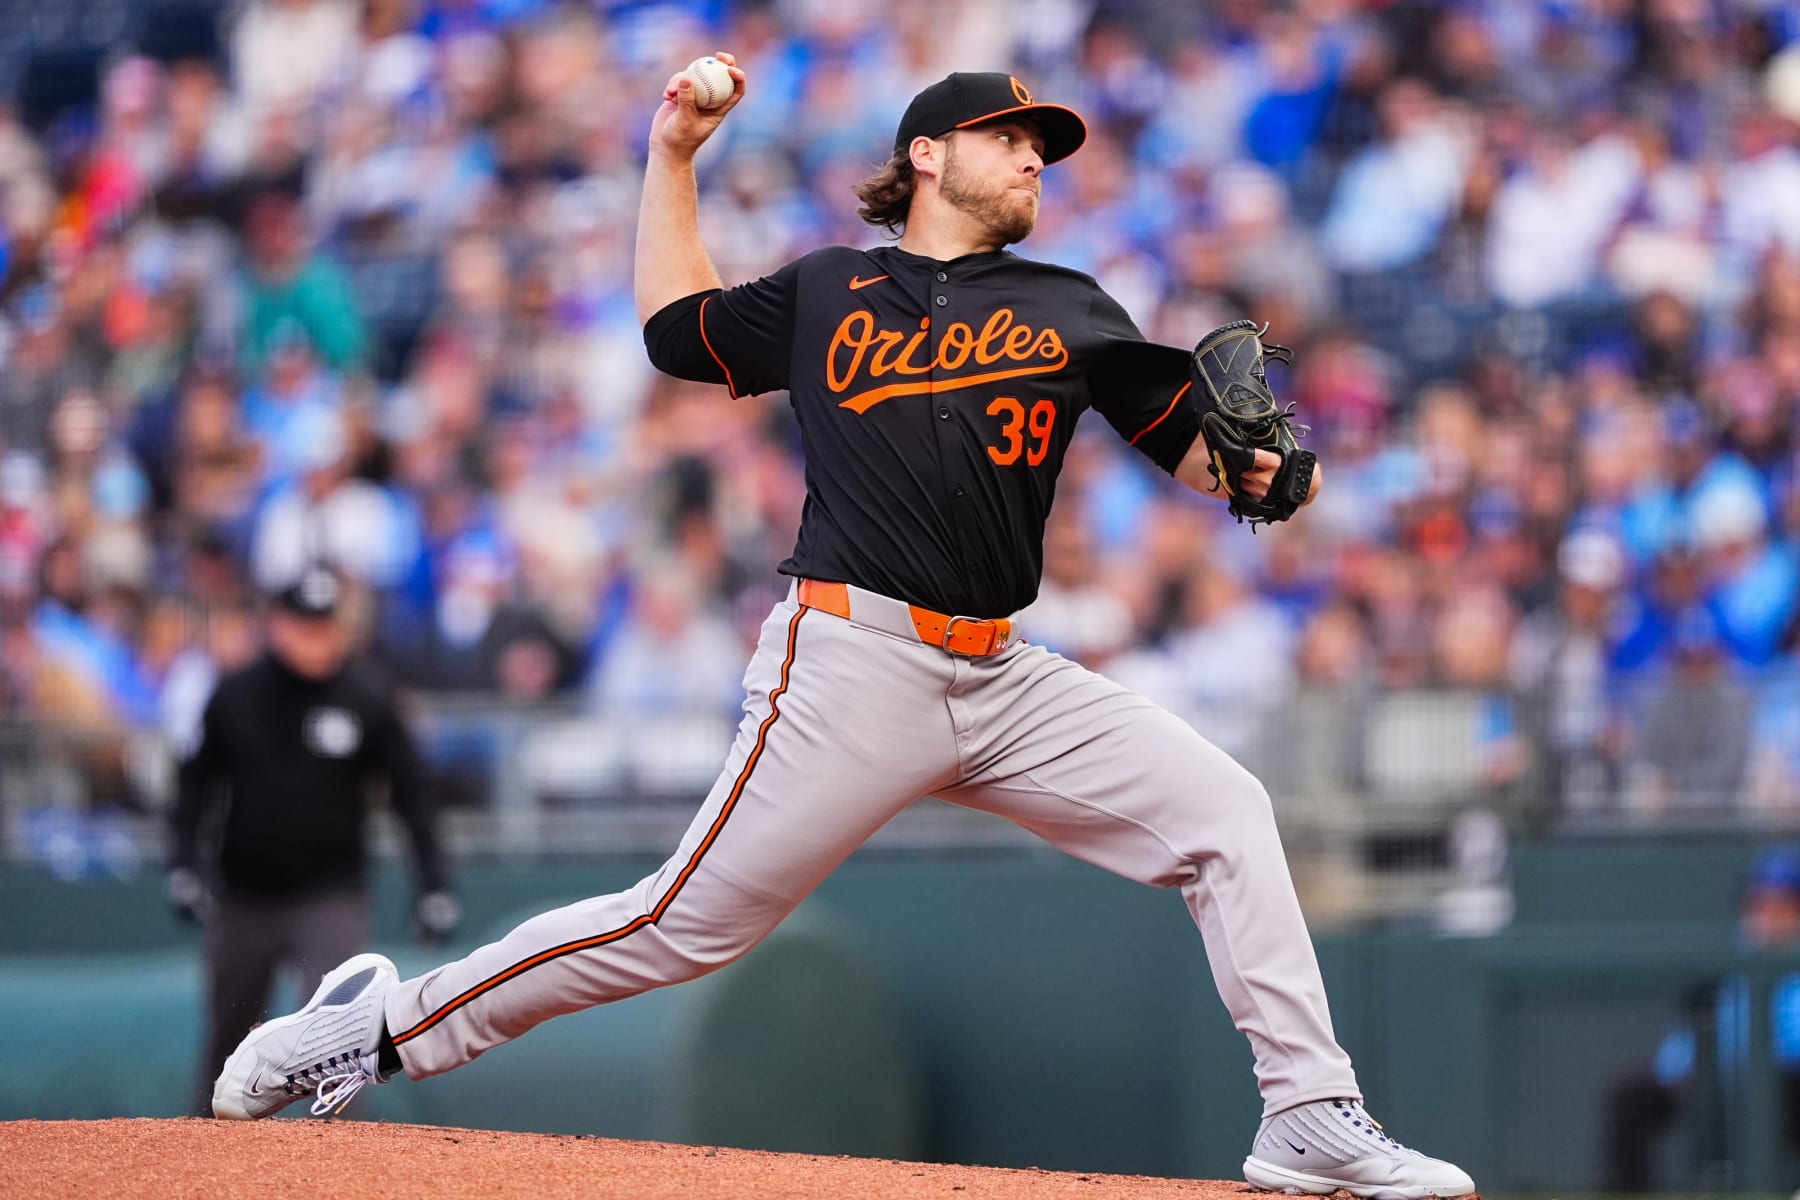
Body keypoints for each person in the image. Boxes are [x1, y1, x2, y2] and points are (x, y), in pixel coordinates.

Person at [211, 59, 1475, 1196]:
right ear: (928, 154)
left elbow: (1198, 452)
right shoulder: (831, 287)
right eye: (1011, 136)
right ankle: (369, 1035)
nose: (1037, 157)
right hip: (852, 660)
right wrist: (671, 156)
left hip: (1008, 678)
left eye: (1045, 145)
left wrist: (1259, 473)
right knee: (676, 925)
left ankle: (1308, 1111)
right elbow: (671, 332)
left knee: (1227, 814)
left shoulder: (1068, 303)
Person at [168, 562, 456, 1115]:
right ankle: (202, 1160)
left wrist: (434, 885)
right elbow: (193, 787)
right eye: (304, 625)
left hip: (328, 893)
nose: (316, 640)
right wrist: (182, 864)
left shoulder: (367, 695)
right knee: (228, 1029)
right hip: (245, 895)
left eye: (325, 626)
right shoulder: (236, 695)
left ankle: (339, 1169)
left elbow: (412, 795)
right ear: (277, 625)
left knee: (339, 1034)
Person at [1602, 846, 1800, 1190]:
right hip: (1716, 1080)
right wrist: (1679, 1068)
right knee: (1631, 1091)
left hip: (1781, 1085)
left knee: (1779, 1086)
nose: (1768, 916)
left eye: (1781, 906)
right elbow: (1686, 1040)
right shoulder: (1733, 958)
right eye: (1760, 904)